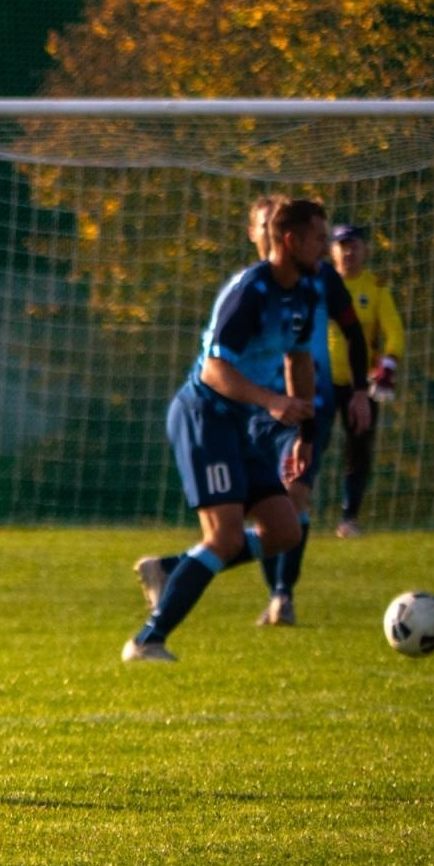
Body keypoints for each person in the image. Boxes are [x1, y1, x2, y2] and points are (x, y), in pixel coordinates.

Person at [124, 197, 329, 663]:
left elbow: (298, 360)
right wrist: (271, 401)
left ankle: (174, 569)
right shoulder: (249, 292)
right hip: (204, 416)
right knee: (226, 538)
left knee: (283, 530)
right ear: (292, 240)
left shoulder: (306, 290)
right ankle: (147, 640)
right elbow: (215, 370)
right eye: (319, 238)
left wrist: (305, 434)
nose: (326, 246)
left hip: (239, 421)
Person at [243, 197, 371, 626]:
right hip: (256, 406)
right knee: (262, 508)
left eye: (273, 226)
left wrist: (358, 392)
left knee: (295, 489)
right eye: (262, 227)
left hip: (308, 404)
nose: (269, 233)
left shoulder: (321, 280)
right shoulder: (248, 287)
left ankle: (284, 595)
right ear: (254, 234)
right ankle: (271, 591)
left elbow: (353, 334)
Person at [327, 223, 405, 539]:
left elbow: (395, 332)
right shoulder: (318, 284)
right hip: (319, 381)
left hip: (360, 385)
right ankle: (292, 509)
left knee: (359, 450)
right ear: (331, 250)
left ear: (365, 250)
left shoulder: (375, 288)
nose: (348, 251)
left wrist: (386, 367)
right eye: (342, 245)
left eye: (354, 245)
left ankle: (349, 518)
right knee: (304, 445)